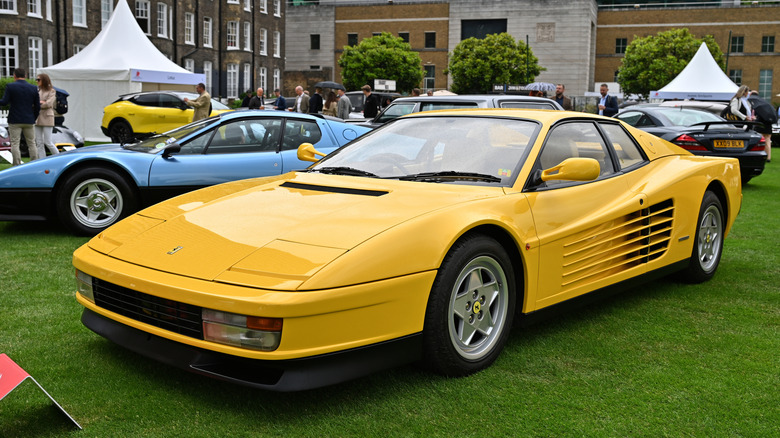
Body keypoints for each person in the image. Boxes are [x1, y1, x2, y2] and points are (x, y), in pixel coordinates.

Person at [0, 68, 40, 165]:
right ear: (25, 76)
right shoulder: (33, 88)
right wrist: (33, 117)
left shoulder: (10, 86)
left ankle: (17, 165)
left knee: (15, 143)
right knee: (32, 143)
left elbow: (4, 102)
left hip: (15, 119)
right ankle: (34, 163)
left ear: (14, 76)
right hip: (29, 119)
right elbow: (37, 106)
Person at [747, 90, 776, 162]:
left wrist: (755, 119)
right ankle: (768, 157)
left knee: (761, 141)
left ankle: (760, 155)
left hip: (761, 125)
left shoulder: (758, 105)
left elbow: (759, 117)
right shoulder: (767, 104)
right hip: (768, 125)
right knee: (768, 141)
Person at [35, 73, 59, 159]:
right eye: (36, 79)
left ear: (44, 80)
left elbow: (49, 104)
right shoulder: (37, 90)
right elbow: (33, 103)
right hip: (38, 117)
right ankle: (42, 160)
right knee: (39, 142)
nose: (37, 81)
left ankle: (58, 157)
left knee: (48, 142)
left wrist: (39, 104)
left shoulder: (52, 91)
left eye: (38, 79)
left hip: (47, 117)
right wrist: (41, 102)